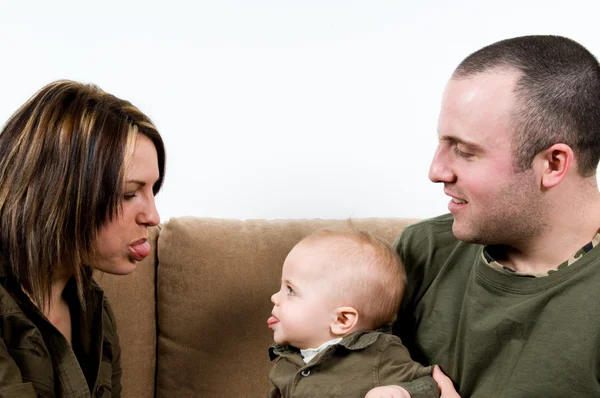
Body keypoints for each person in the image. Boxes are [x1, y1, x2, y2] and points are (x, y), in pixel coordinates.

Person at [380, 35, 600, 397]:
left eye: (465, 151)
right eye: (441, 143)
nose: (436, 171)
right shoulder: (423, 252)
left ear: (553, 163)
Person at [0, 80, 165, 396]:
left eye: (152, 191)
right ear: (57, 191)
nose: (153, 217)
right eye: (129, 193)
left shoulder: (93, 311)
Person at [267, 227, 440, 398]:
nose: (275, 297)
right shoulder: (286, 361)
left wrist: (402, 392)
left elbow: (428, 384)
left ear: (341, 320)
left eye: (291, 290)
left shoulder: (378, 353)